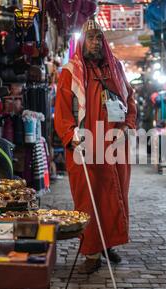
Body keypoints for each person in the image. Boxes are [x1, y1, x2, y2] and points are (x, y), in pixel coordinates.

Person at [54, 20, 137, 274]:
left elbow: (130, 100)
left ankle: (108, 244)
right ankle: (91, 252)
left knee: (114, 195)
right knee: (88, 198)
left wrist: (128, 124)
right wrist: (70, 136)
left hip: (114, 145)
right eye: (91, 38)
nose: (95, 43)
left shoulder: (116, 70)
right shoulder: (71, 71)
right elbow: (62, 112)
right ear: (83, 42)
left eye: (99, 38)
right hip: (85, 146)